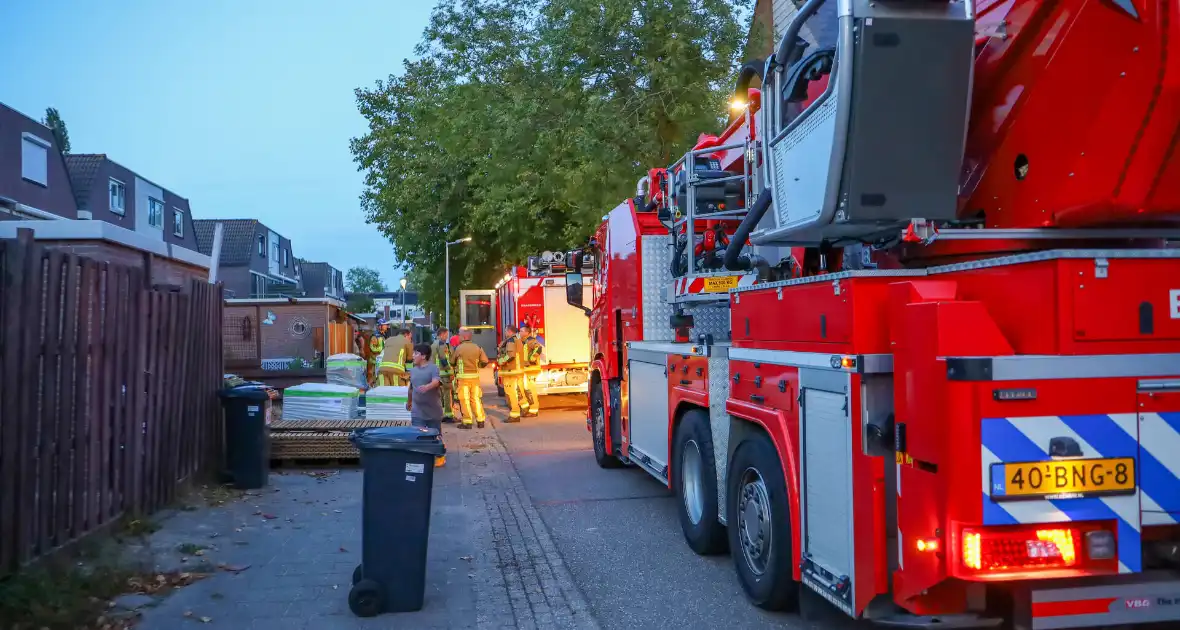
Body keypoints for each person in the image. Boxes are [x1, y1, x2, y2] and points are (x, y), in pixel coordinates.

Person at [406, 343, 447, 468]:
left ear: (423, 356)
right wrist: (409, 402)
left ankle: (439, 456)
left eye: (416, 353)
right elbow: (411, 388)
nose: (413, 356)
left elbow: (436, 381)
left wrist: (427, 387)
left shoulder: (433, 368)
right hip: (417, 410)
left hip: (433, 409)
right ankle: (420, 456)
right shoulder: (413, 370)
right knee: (417, 433)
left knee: (435, 434)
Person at [451, 327, 489, 429]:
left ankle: (467, 422)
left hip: (463, 379)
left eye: (459, 334)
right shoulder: (477, 347)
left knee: (464, 400)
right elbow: (485, 361)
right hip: (475, 379)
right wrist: (477, 366)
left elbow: (452, 362)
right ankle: (480, 421)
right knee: (476, 399)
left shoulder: (459, 348)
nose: (458, 336)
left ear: (464, 336)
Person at [497, 325, 527, 422]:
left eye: (506, 331)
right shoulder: (517, 340)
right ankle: (524, 407)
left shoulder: (510, 341)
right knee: (518, 390)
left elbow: (510, 355)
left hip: (512, 371)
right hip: (518, 370)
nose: (505, 333)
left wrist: (501, 361)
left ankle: (515, 414)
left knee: (511, 393)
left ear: (509, 331)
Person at [430, 326, 457, 423]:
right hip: (443, 374)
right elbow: (443, 359)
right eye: (446, 335)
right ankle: (448, 415)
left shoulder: (433, 344)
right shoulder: (441, 344)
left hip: (436, 374)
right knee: (447, 394)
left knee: (438, 395)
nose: (447, 337)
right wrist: (450, 371)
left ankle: (438, 414)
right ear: (441, 334)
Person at [519, 323, 542, 417]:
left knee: (531, 389)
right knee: (526, 389)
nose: (519, 332)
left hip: (532, 368)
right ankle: (530, 408)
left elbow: (538, 348)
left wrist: (532, 358)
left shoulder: (530, 341)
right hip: (527, 369)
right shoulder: (524, 341)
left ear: (527, 332)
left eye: (521, 331)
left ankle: (533, 410)